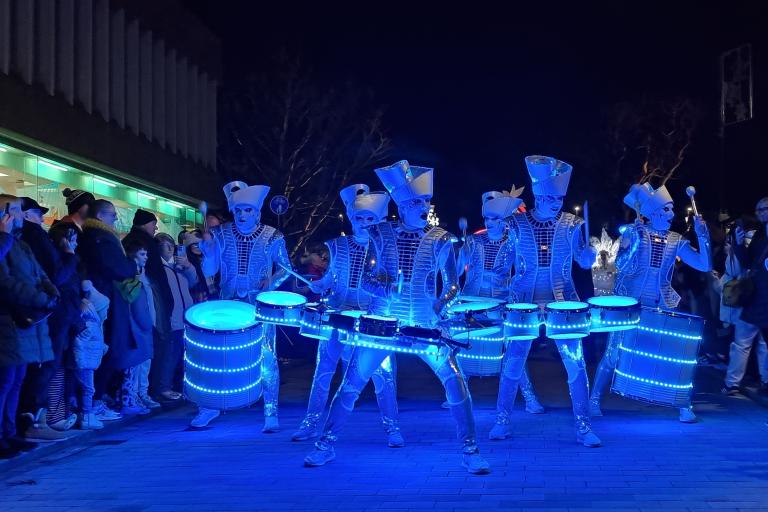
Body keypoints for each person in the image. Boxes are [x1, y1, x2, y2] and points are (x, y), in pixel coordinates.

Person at [304, 160, 490, 474]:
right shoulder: (379, 234)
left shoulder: (442, 239)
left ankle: (470, 450)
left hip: (424, 323)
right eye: (416, 202)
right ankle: (324, 444)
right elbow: (366, 279)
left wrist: (438, 305)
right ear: (402, 206)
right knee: (351, 383)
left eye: (425, 201)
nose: (423, 207)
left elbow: (454, 284)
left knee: (456, 383)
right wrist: (384, 290)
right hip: (382, 324)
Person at [489, 156, 600, 447]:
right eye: (549, 196)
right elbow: (502, 265)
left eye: (560, 197)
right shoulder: (516, 223)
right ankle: (502, 421)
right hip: (523, 303)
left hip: (563, 301)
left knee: (574, 363)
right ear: (538, 195)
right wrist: (501, 283)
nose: (556, 202)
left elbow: (583, 259)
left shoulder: (573, 224)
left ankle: (583, 425)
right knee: (513, 363)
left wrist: (588, 258)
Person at [590, 182, 712, 423]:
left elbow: (705, 265)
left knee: (673, 354)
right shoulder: (634, 233)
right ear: (652, 213)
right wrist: (631, 243)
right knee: (614, 352)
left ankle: (683, 404)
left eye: (671, 209)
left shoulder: (676, 240)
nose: (671, 214)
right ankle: (594, 398)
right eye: (666, 210)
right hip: (630, 302)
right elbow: (618, 267)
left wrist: (702, 235)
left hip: (661, 302)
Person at [293, 184, 403, 447]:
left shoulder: (390, 248)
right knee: (324, 370)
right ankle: (310, 423)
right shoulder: (336, 246)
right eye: (359, 218)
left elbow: (393, 286)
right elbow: (330, 280)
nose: (363, 223)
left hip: (374, 321)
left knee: (382, 375)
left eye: (370, 219)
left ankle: (392, 427)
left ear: (379, 220)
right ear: (351, 218)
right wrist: (319, 285)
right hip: (338, 317)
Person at [197, 181, 291, 429]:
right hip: (227, 303)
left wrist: (270, 281)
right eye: (238, 210)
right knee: (218, 357)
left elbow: (286, 269)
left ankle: (271, 411)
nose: (242, 215)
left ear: (257, 212)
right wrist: (207, 253)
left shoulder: (273, 236)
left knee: (266, 356)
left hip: (259, 305)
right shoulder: (220, 234)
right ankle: (210, 406)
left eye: (247, 210)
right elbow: (210, 270)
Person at [457, 189, 544, 414]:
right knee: (465, 348)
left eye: (496, 218)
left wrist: (513, 283)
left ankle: (529, 397)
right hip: (472, 301)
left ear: (505, 220)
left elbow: (525, 271)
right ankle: (457, 395)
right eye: (488, 218)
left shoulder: (514, 243)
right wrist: (460, 254)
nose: (491, 223)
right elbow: (456, 271)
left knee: (513, 351)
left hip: (501, 302)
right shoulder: (473, 240)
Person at [0, 194, 60, 448]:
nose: (18, 215)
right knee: (6, 381)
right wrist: (40, 298)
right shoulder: (5, 242)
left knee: (17, 379)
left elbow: (39, 273)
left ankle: (10, 432)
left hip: (26, 323)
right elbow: (5, 283)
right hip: (9, 320)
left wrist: (51, 291)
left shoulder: (20, 243)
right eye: (12, 210)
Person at [18, 198, 80, 434]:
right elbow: (56, 276)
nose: (41, 218)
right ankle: (36, 419)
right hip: (53, 311)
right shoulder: (34, 237)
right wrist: (69, 254)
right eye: (36, 213)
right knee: (47, 364)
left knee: (45, 365)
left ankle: (38, 417)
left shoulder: (27, 238)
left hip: (50, 310)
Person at [77, 200, 143, 420]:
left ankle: (96, 400)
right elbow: (117, 267)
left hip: (103, 298)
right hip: (106, 300)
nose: (116, 218)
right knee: (108, 349)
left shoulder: (94, 236)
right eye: (113, 214)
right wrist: (132, 265)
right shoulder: (101, 238)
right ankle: (95, 402)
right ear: (101, 215)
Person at [720, 225, 767, 395]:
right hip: (761, 301)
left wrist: (735, 248)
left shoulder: (747, 245)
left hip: (749, 300)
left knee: (742, 344)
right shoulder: (759, 242)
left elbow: (734, 270)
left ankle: (732, 383)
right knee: (763, 344)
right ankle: (765, 379)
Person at [154, 233, 196, 402]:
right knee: (170, 354)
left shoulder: (178, 267)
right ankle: (164, 387)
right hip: (173, 318)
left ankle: (178, 385)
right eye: (166, 246)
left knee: (182, 354)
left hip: (186, 316)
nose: (171, 249)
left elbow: (193, 282)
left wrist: (187, 266)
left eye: (172, 245)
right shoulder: (159, 269)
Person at [119, 240, 155, 415]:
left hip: (143, 326)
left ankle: (140, 395)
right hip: (137, 327)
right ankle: (130, 399)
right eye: (142, 254)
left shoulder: (141, 275)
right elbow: (138, 303)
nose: (146, 257)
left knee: (143, 364)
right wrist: (148, 322)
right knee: (134, 366)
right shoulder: (132, 279)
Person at [734, 197, 768, 367]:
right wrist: (739, 244)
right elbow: (747, 262)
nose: (759, 213)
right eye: (757, 210)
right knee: (746, 342)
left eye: (762, 209)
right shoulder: (760, 235)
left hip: (762, 298)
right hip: (757, 296)